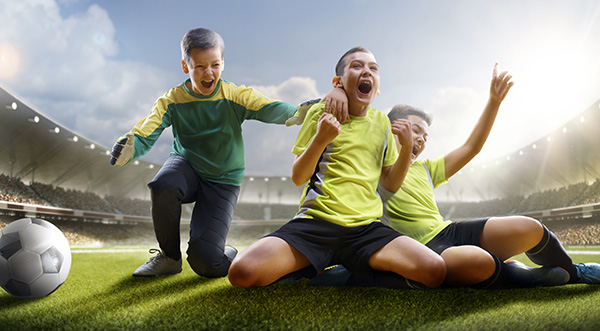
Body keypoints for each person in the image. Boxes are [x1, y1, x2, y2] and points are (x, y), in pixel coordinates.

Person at [316, 63, 600, 288]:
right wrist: (338, 91)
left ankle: (573, 272)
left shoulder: (426, 169)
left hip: (449, 231)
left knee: (530, 228)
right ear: (390, 127)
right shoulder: (367, 160)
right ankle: (523, 276)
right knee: (476, 262)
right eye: (415, 129)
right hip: (418, 247)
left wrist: (493, 102)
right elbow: (354, 114)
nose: (421, 139)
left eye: (425, 135)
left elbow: (470, 147)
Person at [109, 28, 326, 278]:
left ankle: (224, 253)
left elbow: (269, 107)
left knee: (207, 265)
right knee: (162, 185)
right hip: (186, 166)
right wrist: (131, 146)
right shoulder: (172, 100)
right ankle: (169, 257)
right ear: (185, 66)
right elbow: (148, 129)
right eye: (200, 66)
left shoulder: (234, 95)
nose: (209, 73)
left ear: (223, 63)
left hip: (223, 180)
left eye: (215, 65)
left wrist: (298, 113)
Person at [228, 46, 446, 289]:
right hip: (317, 223)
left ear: (378, 86)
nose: (367, 72)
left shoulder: (382, 122)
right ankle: (309, 263)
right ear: (338, 82)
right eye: (357, 66)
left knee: (434, 270)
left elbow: (391, 184)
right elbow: (299, 177)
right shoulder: (319, 113)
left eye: (373, 68)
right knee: (242, 273)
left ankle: (344, 275)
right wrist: (321, 138)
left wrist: (406, 149)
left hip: (366, 229)